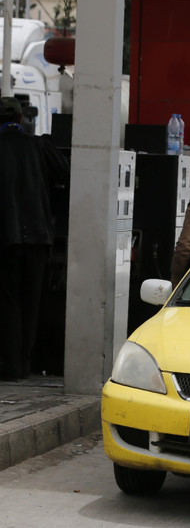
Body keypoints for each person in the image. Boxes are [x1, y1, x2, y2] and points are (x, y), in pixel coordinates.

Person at [0, 97, 69, 381]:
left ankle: (10, 366)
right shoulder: (40, 145)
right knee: (32, 302)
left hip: (5, 238)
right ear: (21, 118)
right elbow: (66, 173)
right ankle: (25, 366)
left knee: (8, 302)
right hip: (39, 237)